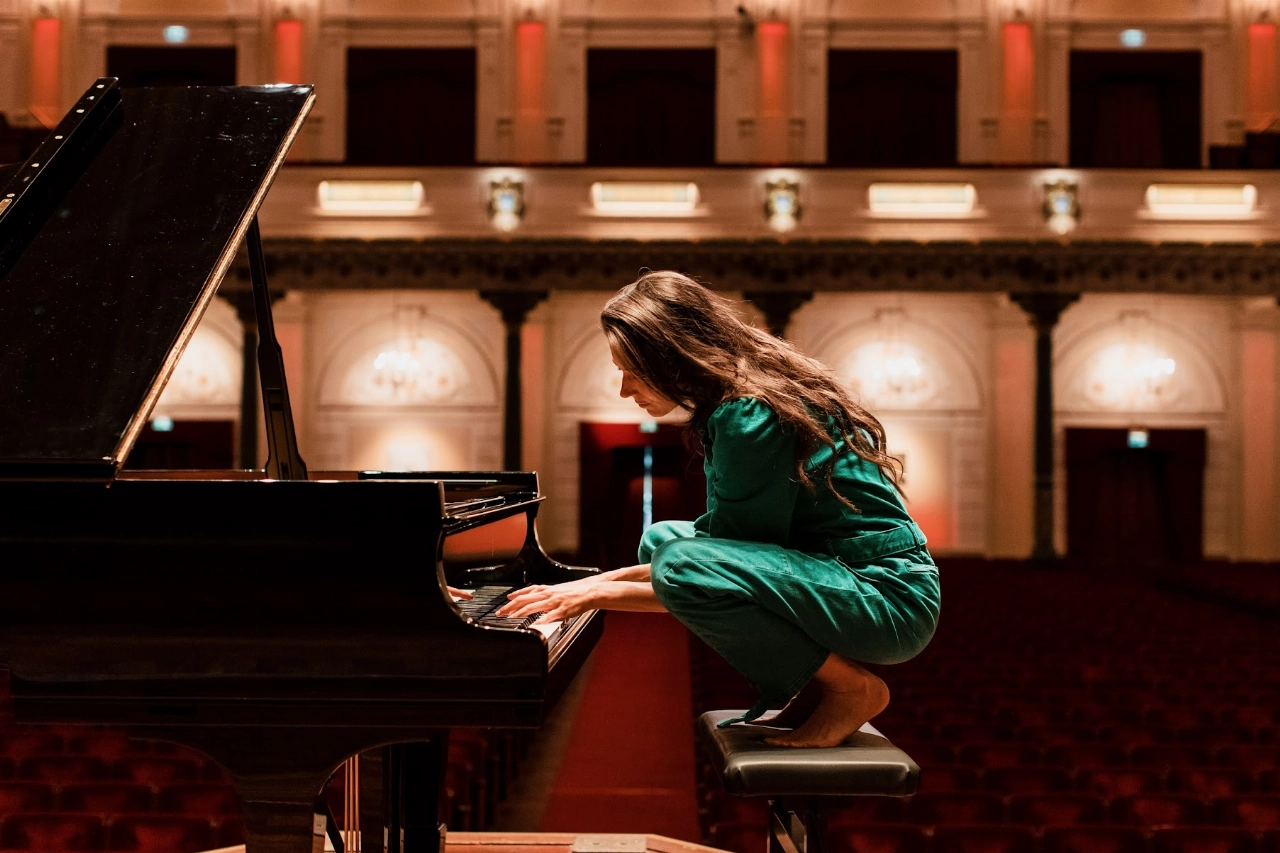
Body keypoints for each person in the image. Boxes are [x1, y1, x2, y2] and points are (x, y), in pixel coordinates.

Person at [497, 271, 940, 749]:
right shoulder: (742, 400)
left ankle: (851, 689)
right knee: (663, 540)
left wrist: (588, 596)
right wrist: (584, 586)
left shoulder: (748, 414)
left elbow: (701, 572)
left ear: (668, 357)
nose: (624, 390)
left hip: (887, 599)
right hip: (849, 581)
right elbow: (716, 556)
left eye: (629, 369)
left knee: (677, 559)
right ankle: (817, 684)